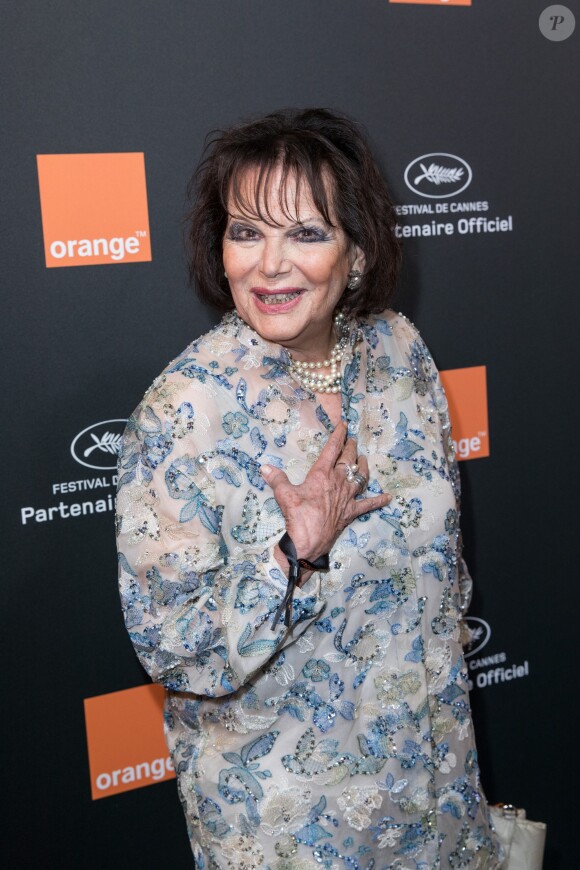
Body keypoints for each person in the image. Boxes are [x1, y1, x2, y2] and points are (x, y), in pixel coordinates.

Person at [116, 108, 501, 868]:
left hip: (433, 788)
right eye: (247, 231)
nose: (269, 264)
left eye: (307, 233)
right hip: (292, 821)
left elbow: (441, 571)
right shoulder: (186, 410)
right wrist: (295, 553)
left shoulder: (398, 351)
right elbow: (172, 649)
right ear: (219, 249)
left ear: (355, 253)